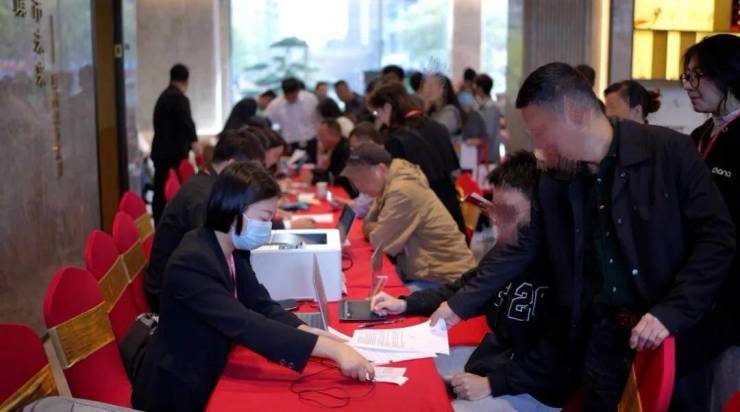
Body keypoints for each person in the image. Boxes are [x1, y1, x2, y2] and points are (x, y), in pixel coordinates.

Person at [431, 62, 736, 411]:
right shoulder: (557, 179)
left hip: (674, 340)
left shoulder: (669, 152)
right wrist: (458, 305)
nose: (538, 145)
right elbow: (522, 246)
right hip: (601, 341)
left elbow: (717, 240)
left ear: (573, 112)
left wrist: (672, 311)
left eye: (541, 131)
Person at [132, 162, 374, 411]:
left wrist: (307, 331)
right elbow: (245, 323)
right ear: (233, 211)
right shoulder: (192, 261)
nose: (267, 227)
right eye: (264, 218)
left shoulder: (231, 248)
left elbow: (261, 304)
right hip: (182, 386)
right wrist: (333, 351)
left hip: (212, 362)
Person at [372, 151, 561, 411]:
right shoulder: (507, 250)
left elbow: (555, 362)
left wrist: (492, 384)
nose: (496, 221)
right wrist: (406, 304)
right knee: (407, 377)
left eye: (508, 212)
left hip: (529, 389)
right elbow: (463, 288)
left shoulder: (561, 269)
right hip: (496, 363)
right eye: (495, 209)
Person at [678, 33, 740, 411]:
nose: (689, 86)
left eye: (697, 76)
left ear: (728, 74)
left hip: (732, 299)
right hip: (698, 292)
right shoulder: (699, 136)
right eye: (686, 76)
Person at [145, 130, 266, 312]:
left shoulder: (210, 184)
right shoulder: (204, 198)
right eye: (251, 175)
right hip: (173, 298)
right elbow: (214, 256)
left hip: (186, 284)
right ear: (232, 166)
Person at [342, 143, 475, 289]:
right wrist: (376, 227)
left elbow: (379, 241)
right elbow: (369, 223)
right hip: (424, 271)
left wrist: (375, 228)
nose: (358, 187)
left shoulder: (402, 191)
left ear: (381, 169)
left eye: (360, 179)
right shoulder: (389, 182)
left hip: (444, 279)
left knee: (375, 298)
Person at [369, 80, 466, 234]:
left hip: (423, 217)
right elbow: (453, 169)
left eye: (377, 112)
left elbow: (399, 189)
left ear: (387, 107)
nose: (380, 118)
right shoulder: (438, 127)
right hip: (451, 211)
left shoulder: (395, 139)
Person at [151, 63, 199, 224]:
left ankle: (160, 225)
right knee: (171, 195)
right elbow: (187, 124)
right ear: (186, 81)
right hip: (173, 156)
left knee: (160, 193)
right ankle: (168, 225)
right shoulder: (180, 99)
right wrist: (195, 145)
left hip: (160, 153)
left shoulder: (163, 96)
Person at [264, 77, 320, 162]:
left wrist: (319, 139)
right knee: (291, 167)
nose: (291, 98)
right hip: (290, 144)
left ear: (298, 91)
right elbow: (267, 122)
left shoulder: (310, 98)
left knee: (312, 166)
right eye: (288, 96)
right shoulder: (275, 105)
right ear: (284, 93)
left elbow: (317, 119)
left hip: (311, 141)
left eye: (294, 95)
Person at [316, 119, 357, 198]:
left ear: (333, 135)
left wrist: (314, 179)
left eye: (322, 136)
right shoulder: (337, 147)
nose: (320, 139)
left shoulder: (345, 150)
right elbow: (330, 171)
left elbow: (339, 178)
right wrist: (313, 173)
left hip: (349, 195)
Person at [473, 73, 503, 164]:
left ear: (480, 88)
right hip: (482, 153)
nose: (474, 88)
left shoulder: (491, 107)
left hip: (489, 154)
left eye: (476, 86)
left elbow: (488, 132)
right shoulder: (479, 104)